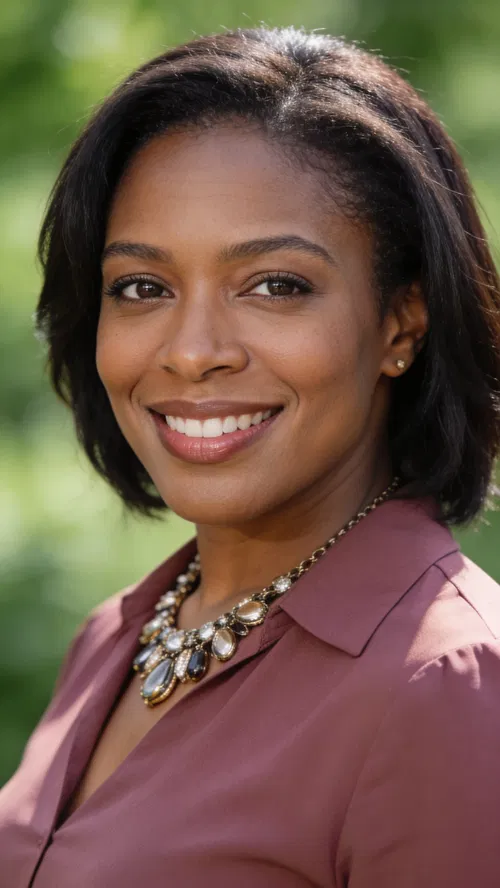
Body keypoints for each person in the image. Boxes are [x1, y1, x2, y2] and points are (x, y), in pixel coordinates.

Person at [1, 24, 500, 888]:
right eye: (142, 287)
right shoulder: (117, 634)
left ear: (401, 324)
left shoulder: (445, 688)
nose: (193, 352)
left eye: (276, 285)